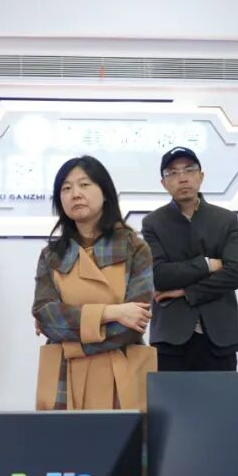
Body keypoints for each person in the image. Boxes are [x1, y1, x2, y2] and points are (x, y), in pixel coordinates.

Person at [33, 155, 156, 411]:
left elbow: (133, 326)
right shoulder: (51, 255)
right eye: (66, 188)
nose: (75, 194)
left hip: (120, 371)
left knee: (122, 436)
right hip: (64, 374)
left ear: (105, 192)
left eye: (84, 184)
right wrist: (112, 312)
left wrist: (70, 336)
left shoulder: (134, 248)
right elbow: (46, 317)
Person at [142, 147, 238, 371]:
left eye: (189, 170)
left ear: (201, 176)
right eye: (173, 173)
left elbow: (237, 274)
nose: (182, 178)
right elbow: (159, 276)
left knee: (221, 394)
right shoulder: (153, 223)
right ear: (163, 183)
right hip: (172, 337)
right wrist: (208, 264)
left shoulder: (225, 219)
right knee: (171, 395)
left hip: (220, 334)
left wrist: (186, 292)